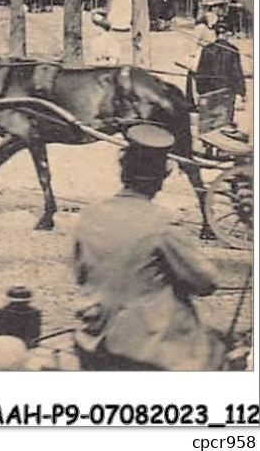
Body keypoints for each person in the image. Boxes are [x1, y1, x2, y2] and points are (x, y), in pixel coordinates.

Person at [72, 124, 224, 371]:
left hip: (93, 338)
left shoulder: (90, 215)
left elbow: (81, 274)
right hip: (147, 349)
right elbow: (206, 283)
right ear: (160, 180)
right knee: (218, 351)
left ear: (123, 170)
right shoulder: (161, 224)